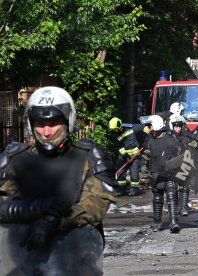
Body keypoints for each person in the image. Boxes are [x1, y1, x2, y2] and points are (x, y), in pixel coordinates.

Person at [0, 86, 116, 274]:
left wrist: (55, 220)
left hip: (76, 260)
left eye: (54, 123)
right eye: (40, 123)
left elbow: (96, 203)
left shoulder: (89, 157)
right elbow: (3, 202)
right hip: (23, 259)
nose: (46, 131)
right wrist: (37, 208)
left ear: (67, 121)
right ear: (30, 124)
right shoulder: (14, 160)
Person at [141, 115, 181, 233]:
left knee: (171, 197)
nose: (149, 129)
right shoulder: (150, 140)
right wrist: (143, 165)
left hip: (169, 173)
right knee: (157, 198)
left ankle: (173, 223)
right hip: (156, 174)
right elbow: (146, 154)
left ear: (157, 126)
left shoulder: (170, 138)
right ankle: (157, 223)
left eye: (150, 126)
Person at [108, 117, 147, 196]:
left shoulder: (130, 128)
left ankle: (134, 189)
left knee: (134, 173)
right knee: (121, 173)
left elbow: (144, 127)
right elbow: (118, 147)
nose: (113, 131)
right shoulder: (114, 135)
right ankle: (121, 189)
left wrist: (149, 136)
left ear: (119, 127)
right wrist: (126, 155)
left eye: (114, 129)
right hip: (124, 156)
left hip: (135, 156)